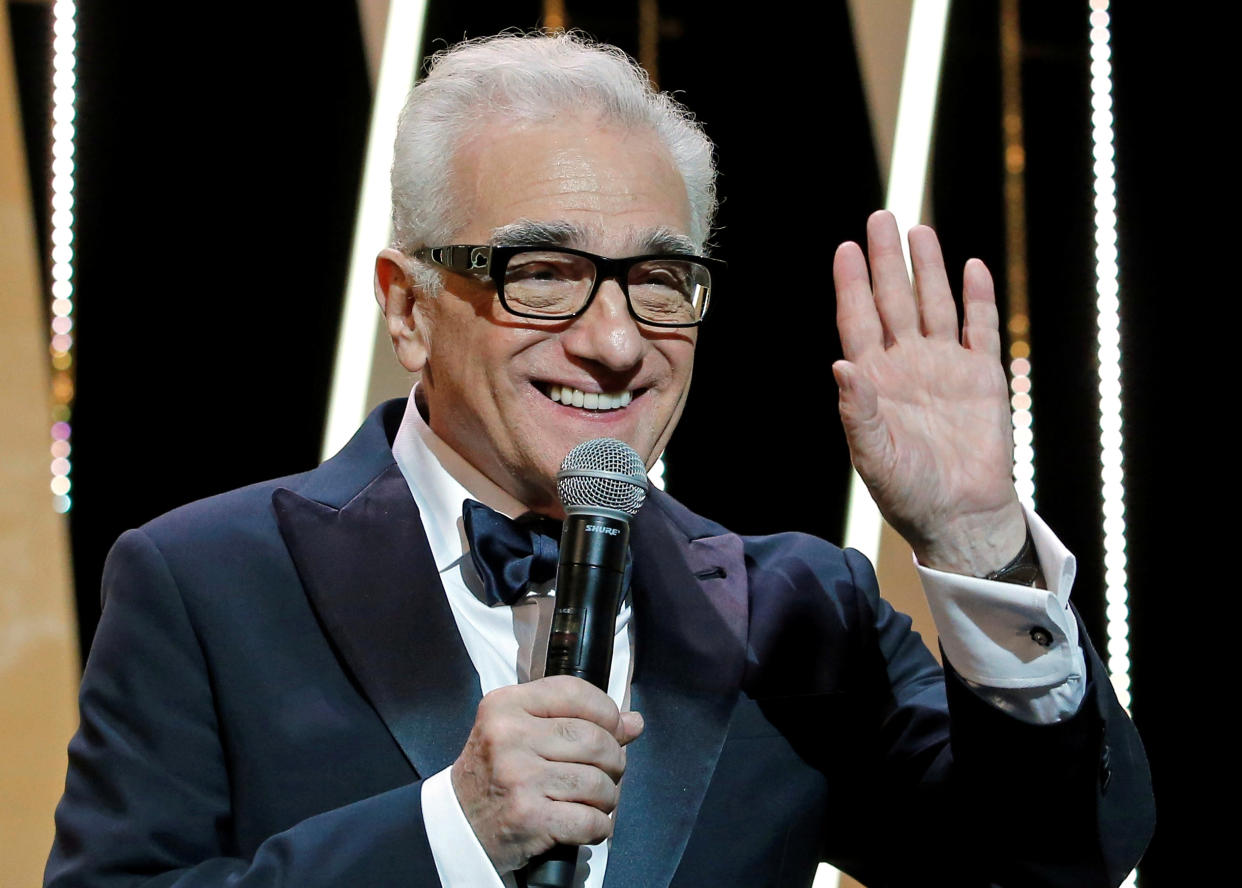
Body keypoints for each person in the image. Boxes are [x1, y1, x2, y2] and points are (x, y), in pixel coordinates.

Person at [46, 32, 1153, 888]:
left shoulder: (801, 609)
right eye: (541, 271)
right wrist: (451, 834)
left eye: (658, 280)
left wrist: (974, 537)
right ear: (411, 310)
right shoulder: (203, 580)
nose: (615, 342)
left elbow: (1053, 864)